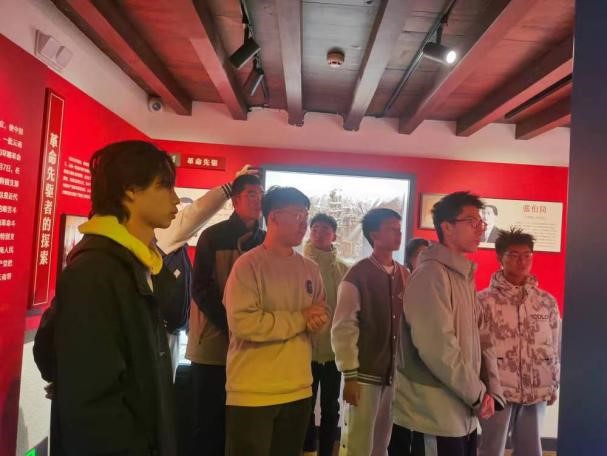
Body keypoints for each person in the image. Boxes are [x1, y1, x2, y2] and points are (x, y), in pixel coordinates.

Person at [51, 140, 180, 455]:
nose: (175, 198)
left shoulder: (140, 262)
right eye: (164, 186)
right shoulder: (95, 271)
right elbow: (94, 400)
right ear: (130, 190)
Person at [392, 191, 505, 456]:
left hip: (462, 410)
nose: (480, 229)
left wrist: (491, 391)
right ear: (447, 227)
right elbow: (438, 349)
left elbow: (482, 337)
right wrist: (478, 394)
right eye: (472, 222)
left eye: (481, 223)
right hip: (432, 415)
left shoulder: (463, 276)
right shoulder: (431, 275)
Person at [222, 186, 328, 456]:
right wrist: (300, 319)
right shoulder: (248, 265)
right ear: (274, 217)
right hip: (253, 392)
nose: (304, 223)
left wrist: (318, 322)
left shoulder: (310, 269)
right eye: (298, 215)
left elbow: (318, 313)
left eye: (306, 216)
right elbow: (244, 323)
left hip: (299, 388)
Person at [187, 173, 265, 455]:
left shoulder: (265, 240)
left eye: (261, 194)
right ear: (235, 201)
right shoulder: (213, 236)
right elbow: (200, 288)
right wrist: (232, 323)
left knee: (242, 421)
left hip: (249, 347)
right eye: (251, 194)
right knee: (208, 420)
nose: (258, 200)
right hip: (212, 343)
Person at [155, 165, 257, 378]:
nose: (175, 200)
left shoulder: (261, 239)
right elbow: (196, 213)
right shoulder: (167, 233)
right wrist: (233, 324)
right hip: (182, 337)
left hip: (171, 331)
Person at [331, 208, 408, 456]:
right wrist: (350, 375)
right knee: (358, 440)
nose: (398, 234)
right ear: (374, 235)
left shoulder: (404, 274)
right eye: (392, 229)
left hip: (393, 374)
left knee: (382, 440)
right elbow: (344, 326)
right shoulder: (358, 274)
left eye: (399, 229)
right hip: (364, 374)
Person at [478, 228, 560, 456]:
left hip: (535, 389)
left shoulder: (545, 302)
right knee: (492, 448)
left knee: (531, 450)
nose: (522, 261)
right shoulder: (484, 301)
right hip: (497, 390)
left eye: (527, 255)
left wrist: (553, 383)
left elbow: (554, 345)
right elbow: (476, 349)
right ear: (500, 257)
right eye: (514, 255)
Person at [302, 213, 349, 456]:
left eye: (325, 230)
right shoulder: (298, 265)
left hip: (333, 352)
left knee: (331, 407)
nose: (319, 234)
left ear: (334, 235)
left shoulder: (344, 270)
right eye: (315, 229)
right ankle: (308, 450)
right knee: (305, 406)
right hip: (305, 350)